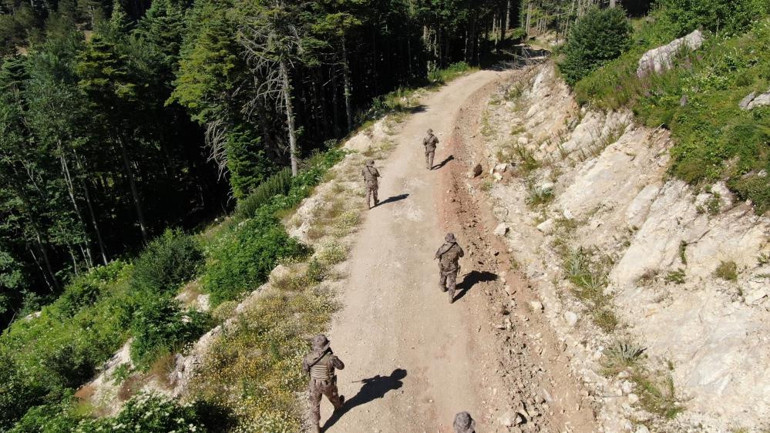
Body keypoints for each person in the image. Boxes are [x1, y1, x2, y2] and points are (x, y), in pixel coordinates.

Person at [302, 334, 345, 433]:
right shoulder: (331, 358)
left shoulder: (308, 358)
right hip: (327, 384)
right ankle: (338, 407)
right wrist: (333, 357)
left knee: (314, 405)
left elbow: (305, 370)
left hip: (314, 384)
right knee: (333, 396)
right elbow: (341, 366)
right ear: (326, 346)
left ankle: (316, 428)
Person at [434, 233, 465, 303]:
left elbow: (437, 255)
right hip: (453, 269)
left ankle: (443, 287)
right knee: (452, 282)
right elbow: (462, 255)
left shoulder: (443, 248)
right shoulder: (457, 248)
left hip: (444, 267)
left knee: (443, 277)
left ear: (447, 240)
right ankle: (451, 297)